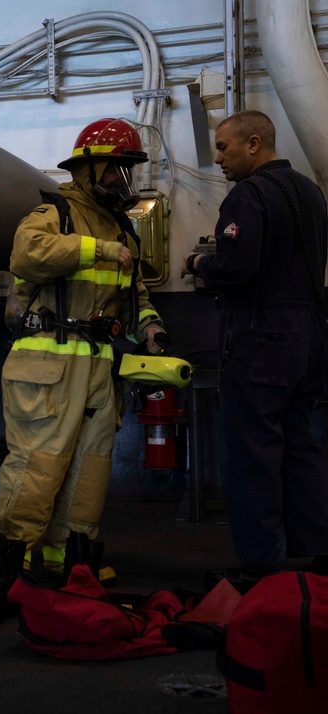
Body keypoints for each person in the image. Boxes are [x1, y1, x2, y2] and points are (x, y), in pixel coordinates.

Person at [0, 118, 167, 628]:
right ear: (88, 166)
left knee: (88, 472)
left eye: (129, 169)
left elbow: (135, 294)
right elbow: (26, 255)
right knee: (36, 468)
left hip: (100, 368)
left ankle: (67, 562)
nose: (124, 179)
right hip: (48, 362)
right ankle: (2, 577)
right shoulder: (53, 210)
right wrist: (95, 249)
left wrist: (151, 330)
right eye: (117, 168)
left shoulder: (124, 228)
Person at [181, 110, 328, 590]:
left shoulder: (250, 194)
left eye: (224, 148)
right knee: (300, 446)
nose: (217, 158)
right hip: (309, 337)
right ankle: (313, 553)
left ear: (254, 143)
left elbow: (237, 268)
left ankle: (263, 568)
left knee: (251, 453)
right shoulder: (311, 192)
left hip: (260, 336)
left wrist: (201, 262)